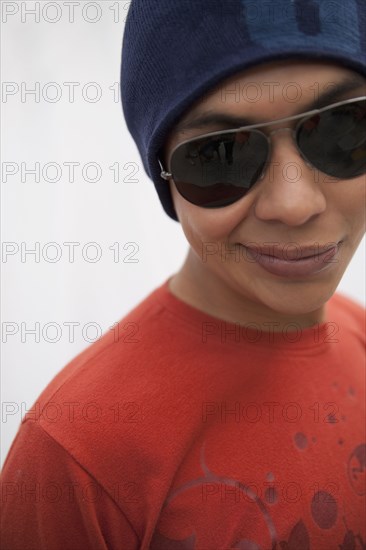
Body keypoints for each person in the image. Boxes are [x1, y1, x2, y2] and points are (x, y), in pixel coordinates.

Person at [1, 1, 365, 548]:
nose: (294, 204)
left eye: (342, 128)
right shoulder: (77, 454)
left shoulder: (359, 336)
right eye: (220, 155)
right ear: (165, 180)